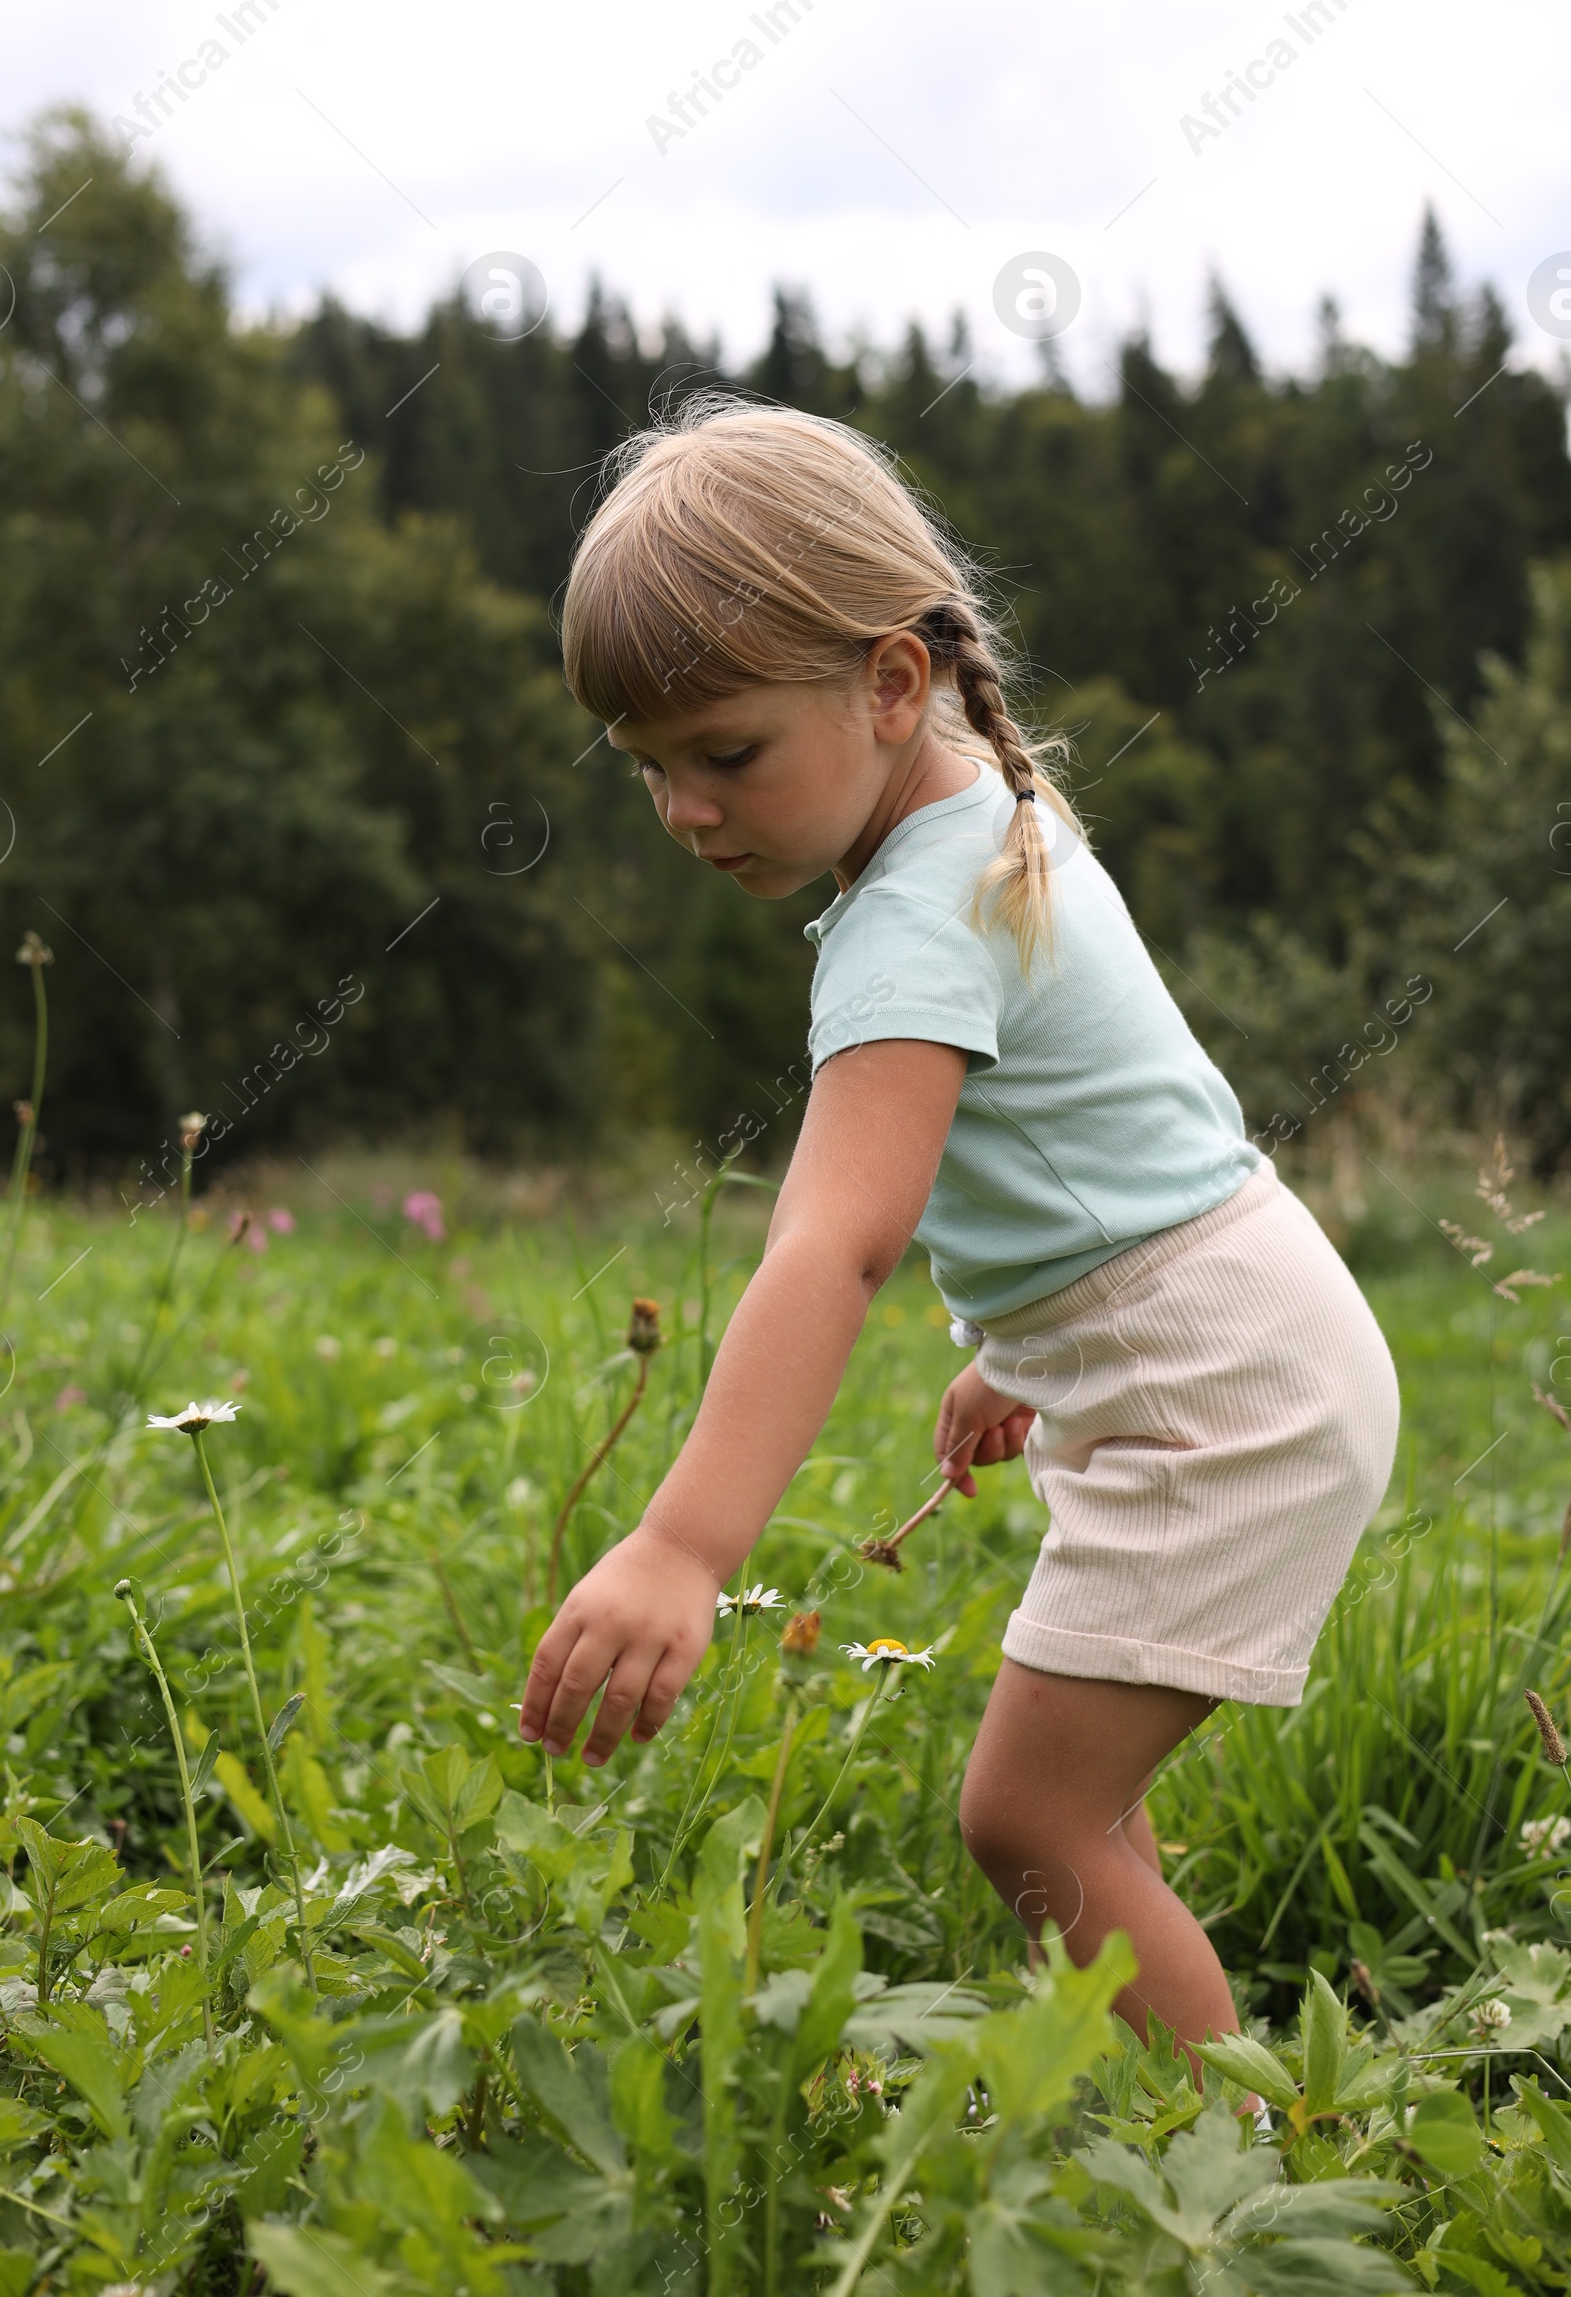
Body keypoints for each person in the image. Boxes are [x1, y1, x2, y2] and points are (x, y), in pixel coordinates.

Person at [518, 397, 1400, 2058]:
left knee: (1031, 1826)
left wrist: (684, 1548)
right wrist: (1023, 1348)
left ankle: (1232, 2170)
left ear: (890, 681)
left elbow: (830, 1248)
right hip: (1223, 1338)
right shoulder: (983, 801)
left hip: (1223, 1394)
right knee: (1087, 1815)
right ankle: (1157, 2121)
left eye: (727, 754)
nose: (689, 813)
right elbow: (1092, 1125)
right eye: (649, 769)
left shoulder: (911, 919)